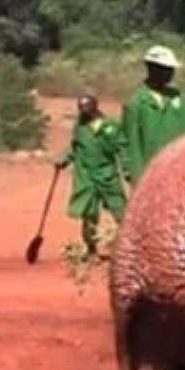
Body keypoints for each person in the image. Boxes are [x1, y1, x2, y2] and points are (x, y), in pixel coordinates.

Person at [56, 95, 127, 257]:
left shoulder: (111, 127)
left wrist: (127, 169)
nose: (83, 110)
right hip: (86, 176)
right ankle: (91, 248)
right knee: (89, 213)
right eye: (80, 107)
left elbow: (122, 148)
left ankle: (125, 247)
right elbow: (75, 147)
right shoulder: (80, 127)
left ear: (95, 106)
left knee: (120, 209)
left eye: (86, 106)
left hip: (107, 174)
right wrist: (64, 159)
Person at [120, 45, 185, 186]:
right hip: (149, 173)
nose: (171, 73)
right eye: (166, 69)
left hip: (177, 169)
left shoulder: (177, 97)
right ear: (151, 68)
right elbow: (130, 143)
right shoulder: (136, 103)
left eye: (172, 70)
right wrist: (134, 175)